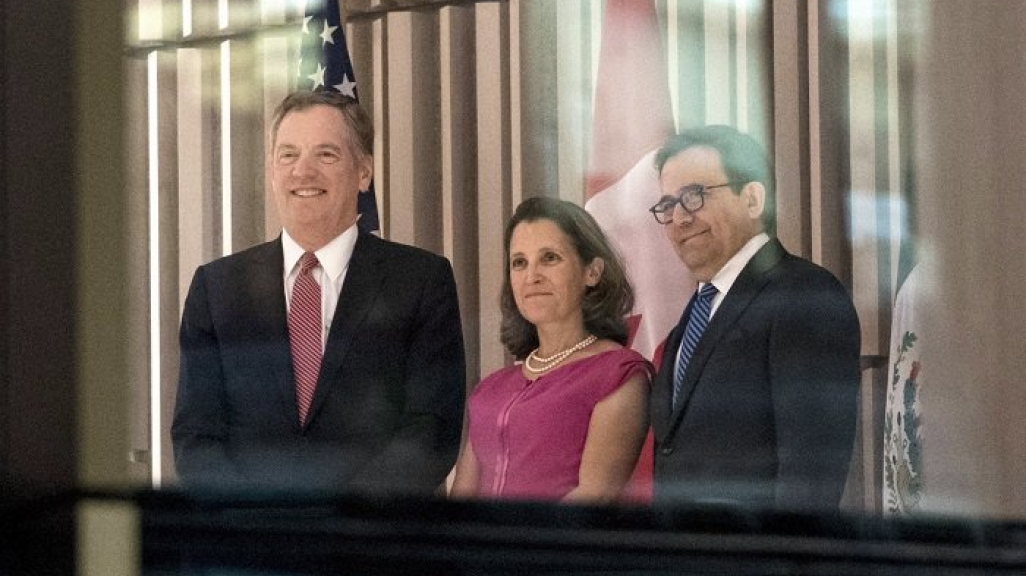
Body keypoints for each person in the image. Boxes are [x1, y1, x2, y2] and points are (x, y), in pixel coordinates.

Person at [171, 91, 466, 495]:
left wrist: (342, 524)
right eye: (288, 155)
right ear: (272, 170)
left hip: (370, 544)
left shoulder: (420, 280)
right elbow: (196, 437)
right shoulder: (217, 288)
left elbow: (430, 429)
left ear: (364, 171)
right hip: (250, 546)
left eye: (325, 155)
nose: (302, 172)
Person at [648, 125, 860, 512]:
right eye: (667, 205)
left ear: (752, 199)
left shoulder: (803, 293)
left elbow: (810, 472)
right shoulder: (693, 316)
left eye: (693, 197)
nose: (679, 218)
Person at [450, 197, 652, 504]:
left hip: (556, 550)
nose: (532, 276)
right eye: (519, 262)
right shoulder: (490, 389)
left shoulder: (619, 374)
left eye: (550, 258)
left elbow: (594, 497)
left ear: (592, 272)